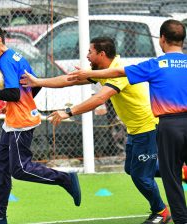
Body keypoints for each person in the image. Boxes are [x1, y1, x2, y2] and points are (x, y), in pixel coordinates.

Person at [21, 37, 171, 224]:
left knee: (141, 176)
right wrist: (38, 81)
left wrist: (69, 112)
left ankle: (161, 211)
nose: (86, 56)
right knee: (131, 169)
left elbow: (100, 98)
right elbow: (70, 79)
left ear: (101, 54)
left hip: (148, 128)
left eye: (90, 52)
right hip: (135, 129)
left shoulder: (119, 73)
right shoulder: (103, 71)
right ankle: (178, 171)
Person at [66, 20, 187, 224]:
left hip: (169, 125)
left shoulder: (155, 64)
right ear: (182, 40)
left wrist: (89, 73)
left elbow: (118, 72)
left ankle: (181, 219)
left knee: (171, 177)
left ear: (162, 40)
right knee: (152, 170)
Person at [0, 22, 81, 224]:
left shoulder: (6, 61)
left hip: (20, 124)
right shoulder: (16, 56)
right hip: (16, 119)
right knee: (0, 168)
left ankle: (65, 179)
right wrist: (20, 103)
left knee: (20, 170)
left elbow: (14, 93)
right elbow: (34, 84)